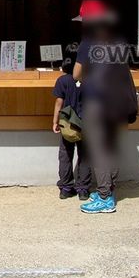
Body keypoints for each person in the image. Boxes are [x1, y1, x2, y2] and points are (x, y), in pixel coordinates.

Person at [74, 0, 138, 214]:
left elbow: (76, 74)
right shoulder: (117, 41)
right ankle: (109, 190)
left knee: (99, 150)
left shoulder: (88, 43)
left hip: (99, 102)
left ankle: (104, 197)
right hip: (119, 102)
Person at [52, 59, 90, 200]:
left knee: (66, 155)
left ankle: (66, 188)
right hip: (86, 122)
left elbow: (58, 102)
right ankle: (83, 189)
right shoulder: (89, 80)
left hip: (67, 122)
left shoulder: (62, 80)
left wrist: (55, 121)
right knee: (85, 155)